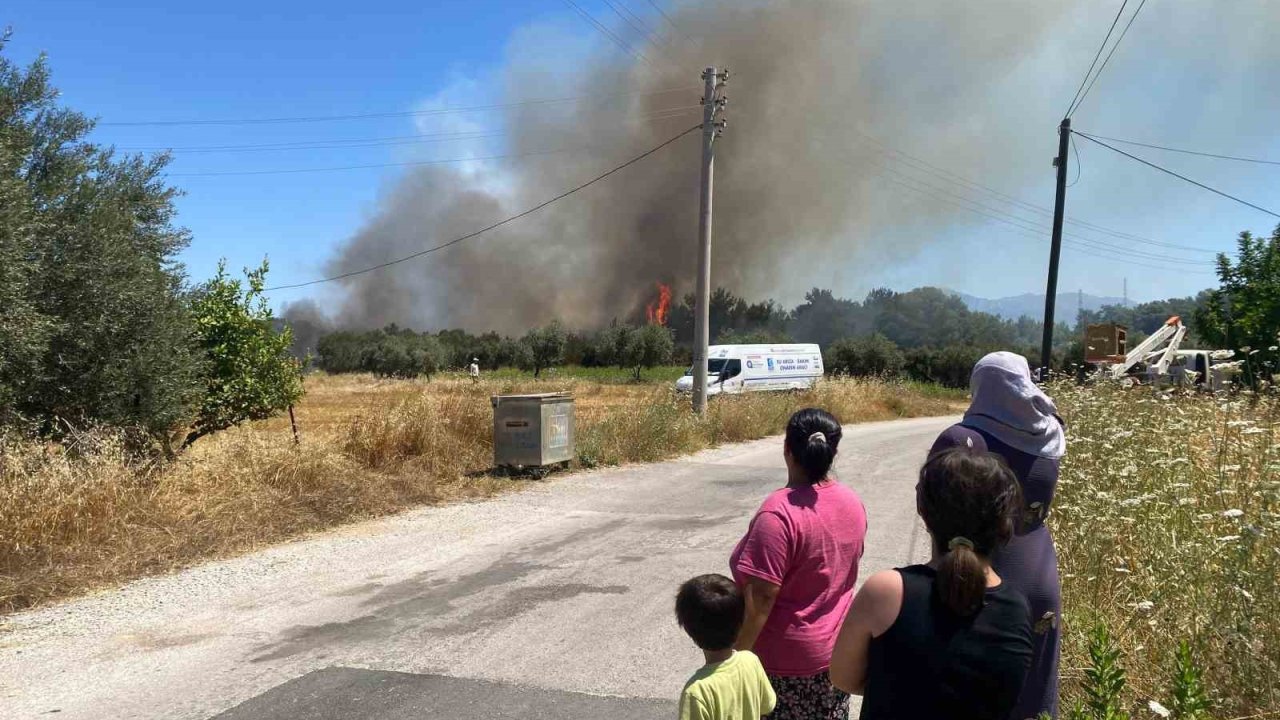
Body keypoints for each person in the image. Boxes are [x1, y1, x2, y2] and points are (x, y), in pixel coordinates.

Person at [828, 447, 1033, 720]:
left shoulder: (887, 592)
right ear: (1003, 524)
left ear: (923, 512)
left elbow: (843, 677)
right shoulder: (1017, 609)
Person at [929, 351, 1065, 719]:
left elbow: (935, 512)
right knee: (1032, 686)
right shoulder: (1050, 433)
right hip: (1039, 568)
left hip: (982, 569)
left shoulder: (963, 438)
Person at [730, 408, 868, 720]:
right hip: (834, 657)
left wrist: (735, 661)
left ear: (787, 449)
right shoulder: (852, 503)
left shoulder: (778, 515)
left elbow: (761, 599)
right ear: (833, 452)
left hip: (783, 664)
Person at [676, 574, 777, 720]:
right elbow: (767, 705)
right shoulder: (751, 661)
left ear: (687, 629)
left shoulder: (697, 692)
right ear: (741, 622)